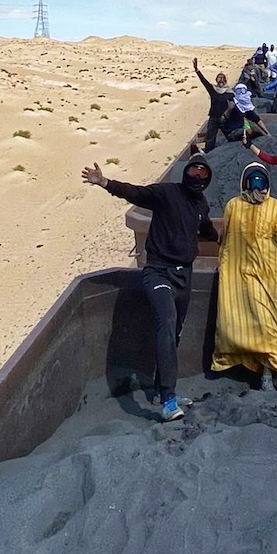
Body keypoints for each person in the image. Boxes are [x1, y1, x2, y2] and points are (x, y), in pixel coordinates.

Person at [82, 155, 218, 421]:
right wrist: (105, 182)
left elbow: (207, 228)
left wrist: (225, 236)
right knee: (166, 322)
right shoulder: (167, 193)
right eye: (193, 171)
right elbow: (135, 193)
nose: (197, 177)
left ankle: (159, 389)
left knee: (175, 333)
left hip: (184, 276)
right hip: (157, 272)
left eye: (202, 174)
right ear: (185, 172)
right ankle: (168, 400)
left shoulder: (201, 203)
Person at [212, 162, 277, 391]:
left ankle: (267, 375)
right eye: (255, 183)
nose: (260, 189)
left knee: (271, 326)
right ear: (245, 183)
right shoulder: (233, 206)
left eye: (263, 183)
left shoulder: (275, 207)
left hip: (274, 276)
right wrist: (224, 266)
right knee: (259, 324)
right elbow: (227, 238)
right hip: (243, 275)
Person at [193, 58, 233, 152]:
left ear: (225, 80)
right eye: (219, 77)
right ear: (216, 79)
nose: (221, 80)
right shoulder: (212, 89)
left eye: (223, 78)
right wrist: (196, 69)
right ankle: (208, 155)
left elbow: (232, 105)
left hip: (224, 119)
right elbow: (204, 81)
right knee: (210, 139)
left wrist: (226, 115)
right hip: (213, 118)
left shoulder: (230, 92)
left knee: (231, 136)